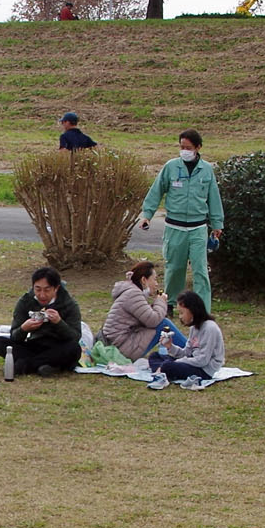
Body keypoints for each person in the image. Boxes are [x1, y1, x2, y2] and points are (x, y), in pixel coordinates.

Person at [139, 129, 224, 310]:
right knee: (175, 269)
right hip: (175, 227)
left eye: (188, 147)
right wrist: (147, 215)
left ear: (198, 148)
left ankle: (202, 310)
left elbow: (214, 199)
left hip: (198, 228)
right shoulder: (171, 167)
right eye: (182, 147)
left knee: (200, 271)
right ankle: (169, 304)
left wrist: (217, 224)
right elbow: (156, 191)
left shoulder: (207, 170)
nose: (184, 150)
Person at [0, 267, 83, 378]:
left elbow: (75, 337)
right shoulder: (25, 301)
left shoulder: (69, 304)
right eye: (38, 289)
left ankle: (26, 365)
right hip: (34, 345)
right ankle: (47, 366)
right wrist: (24, 328)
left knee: (74, 348)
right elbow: (14, 336)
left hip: (58, 347)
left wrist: (59, 322)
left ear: (56, 288)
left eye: (47, 290)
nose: (42, 295)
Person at [99, 261, 182, 360]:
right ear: (143, 280)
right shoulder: (133, 294)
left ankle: (188, 351)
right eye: (154, 279)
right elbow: (153, 320)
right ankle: (191, 352)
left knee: (163, 324)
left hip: (118, 342)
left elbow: (146, 318)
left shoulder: (132, 291)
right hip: (121, 347)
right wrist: (161, 301)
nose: (156, 284)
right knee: (164, 324)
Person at [147, 291, 225, 388]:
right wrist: (170, 347)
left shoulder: (210, 328)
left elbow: (203, 360)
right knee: (154, 356)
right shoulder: (194, 328)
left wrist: (179, 362)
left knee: (168, 366)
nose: (180, 316)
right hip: (193, 362)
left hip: (204, 370)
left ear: (192, 310)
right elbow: (186, 353)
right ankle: (162, 370)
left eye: (182, 312)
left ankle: (162, 371)